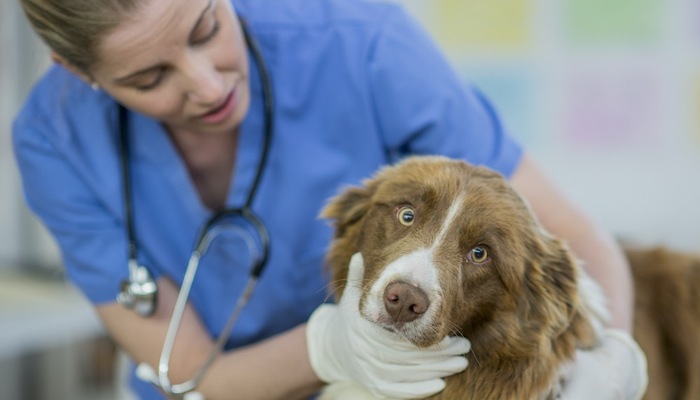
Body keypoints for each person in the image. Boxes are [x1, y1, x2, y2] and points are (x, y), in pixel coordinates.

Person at [13, 0, 646, 399]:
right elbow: (192, 377)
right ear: (77, 70)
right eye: (148, 78)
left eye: (207, 27)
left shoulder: (359, 39)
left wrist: (611, 355)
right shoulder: (54, 141)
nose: (206, 86)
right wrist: (329, 346)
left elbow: (574, 238)